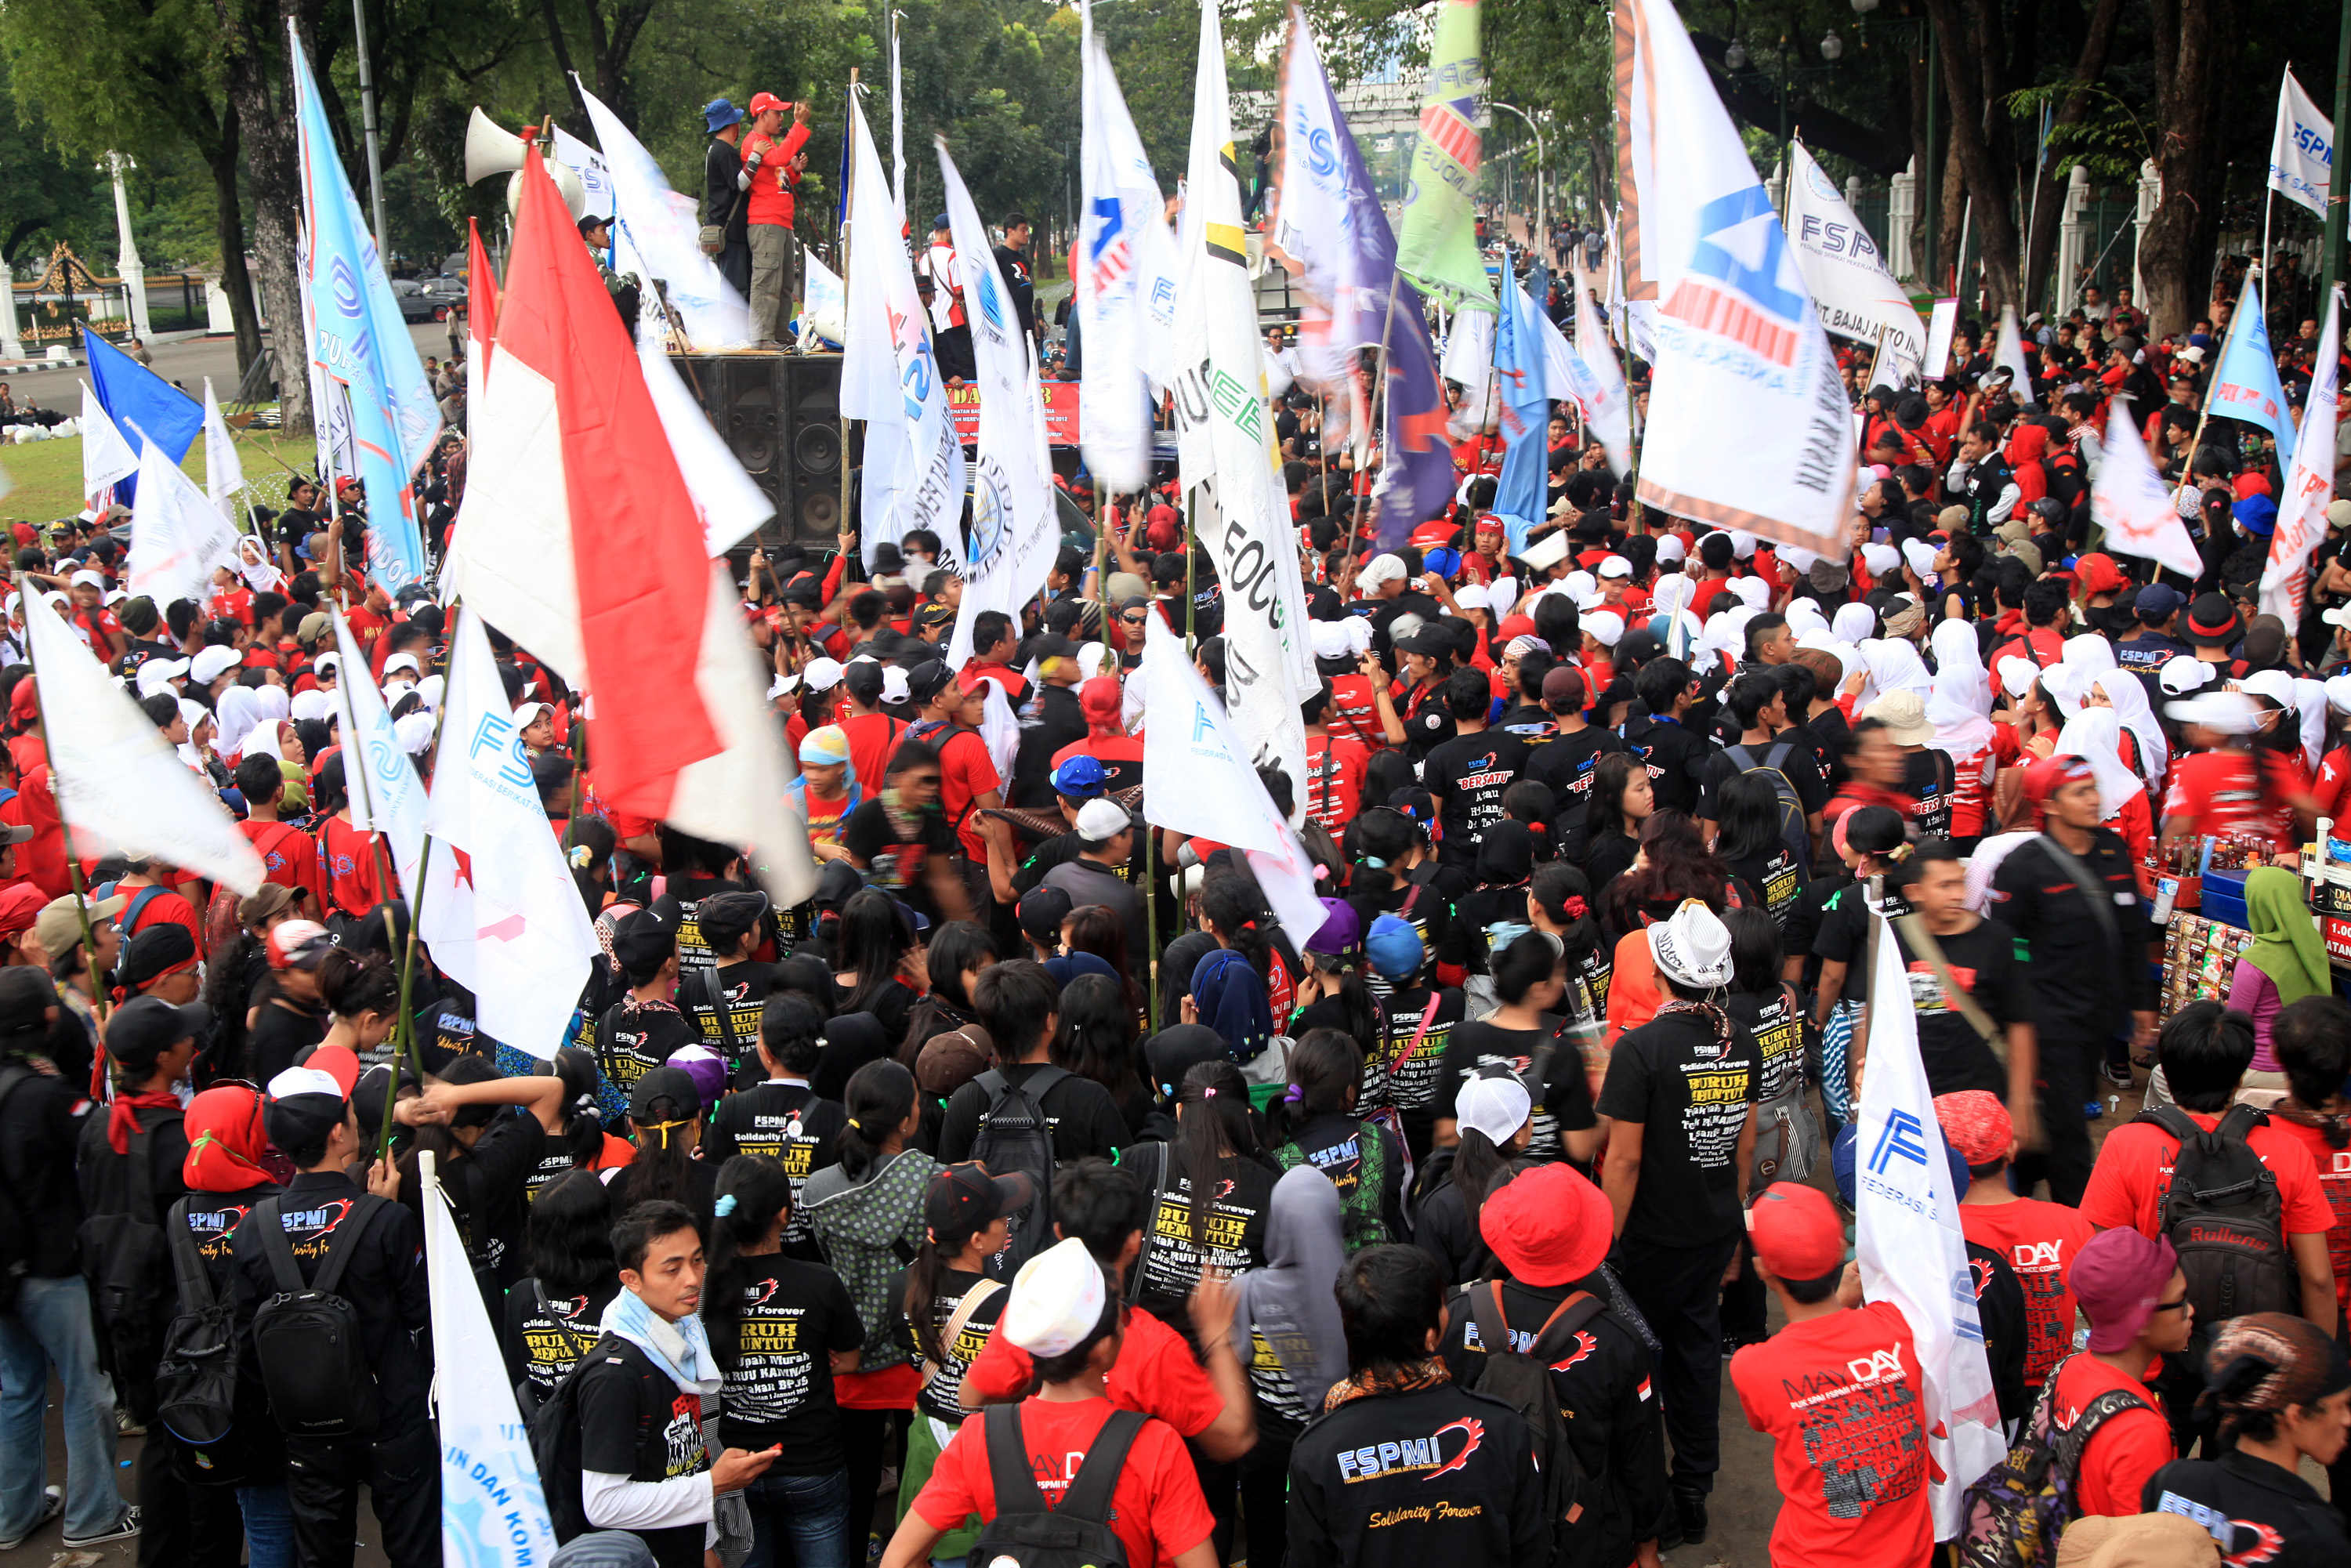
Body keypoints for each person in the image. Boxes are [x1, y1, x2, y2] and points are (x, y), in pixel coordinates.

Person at [882, 1237, 1219, 1568]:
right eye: (1121, 1316)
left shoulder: (980, 1438)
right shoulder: (1156, 1447)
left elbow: (898, 1559)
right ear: (1103, 1348)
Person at [1596, 899, 1758, 1541]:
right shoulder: (1737, 1038)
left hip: (1645, 1244)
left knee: (1635, 1369)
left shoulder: (1641, 1050)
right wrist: (1734, 1233)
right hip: (1712, 1232)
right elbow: (1744, 1147)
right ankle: (1694, 1488)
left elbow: (1624, 1161)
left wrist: (1605, 1246)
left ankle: (1649, 1503)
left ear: (1659, 976)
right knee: (1696, 1363)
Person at [230, 1063, 431, 1568]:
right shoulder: (387, 1219)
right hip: (392, 1412)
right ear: (339, 1131)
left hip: (307, 1421)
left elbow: (244, 1339)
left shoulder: (254, 1228)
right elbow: (421, 1316)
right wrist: (374, 1211)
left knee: (321, 1553)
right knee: (415, 1548)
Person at [1445, 1161, 1668, 1566]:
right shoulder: (1618, 1343)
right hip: (1587, 1534)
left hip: (1485, 1524)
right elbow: (1641, 1455)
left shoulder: (1456, 1316)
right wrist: (1647, 1540)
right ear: (1587, 1239)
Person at [1282, 1244, 1549, 1568]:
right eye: (1442, 1304)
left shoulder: (1318, 1448)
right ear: (1430, 1336)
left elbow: (1305, 1558)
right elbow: (1532, 1551)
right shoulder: (1503, 1429)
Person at [2079, 1002, 2338, 1331]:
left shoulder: (2126, 1144)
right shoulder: (2288, 1150)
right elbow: (2316, 1278)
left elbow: (2099, 1266)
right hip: (2259, 1355)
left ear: (2167, 1073)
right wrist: (2316, 1371)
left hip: (2156, 1358)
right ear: (2241, 1073)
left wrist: (2127, 1350)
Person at [0, 968, 136, 1554]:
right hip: (52, 1268)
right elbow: (111, 1136)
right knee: (87, 1386)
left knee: (16, 1389)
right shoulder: (45, 1096)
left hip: (2, 1272)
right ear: (44, 1021)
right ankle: (93, 1512)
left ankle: (13, 1512)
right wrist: (119, 1055)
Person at [573, 1198, 782, 1568]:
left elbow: (678, 1457)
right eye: (672, 1269)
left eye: (697, 1260)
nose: (692, 1278)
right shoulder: (616, 1375)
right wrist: (713, 1484)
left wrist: (706, 1543)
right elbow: (602, 1505)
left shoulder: (679, 1329)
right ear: (631, 1279)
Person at [1730, 1183, 1933, 1565]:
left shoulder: (1754, 1367)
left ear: (1763, 1271)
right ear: (1842, 1250)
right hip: (1911, 1555)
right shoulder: (1899, 1327)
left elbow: (1769, 1416)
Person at [1991, 755, 2156, 1203]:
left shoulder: (2111, 850)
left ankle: (2023, 1191)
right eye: (2080, 792)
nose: (2094, 799)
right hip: (2049, 1026)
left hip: (2096, 1022)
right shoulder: (2023, 867)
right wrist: (2019, 1024)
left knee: (2057, 1121)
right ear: (2052, 804)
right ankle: (2073, 1231)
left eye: (2093, 789)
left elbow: (2131, 930)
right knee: (2069, 1139)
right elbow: (2008, 953)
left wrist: (2141, 1002)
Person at [797, 1060, 933, 1558]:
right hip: (914, 1357)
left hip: (849, 1358)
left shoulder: (819, 1189)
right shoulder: (929, 1178)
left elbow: (827, 1263)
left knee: (852, 1485)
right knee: (923, 1483)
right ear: (904, 1120)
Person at [703, 1155, 865, 1568]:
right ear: (784, 1215)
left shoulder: (699, 1290)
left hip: (734, 1467)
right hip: (813, 1464)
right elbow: (849, 1360)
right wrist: (806, 1362)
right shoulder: (819, 1281)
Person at [174, 1084, 294, 1568]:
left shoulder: (180, 1212)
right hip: (265, 1382)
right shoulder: (275, 1206)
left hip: (203, 1382)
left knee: (245, 1504)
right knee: (270, 1517)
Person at [2141, 1313, 2351, 1566]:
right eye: (2341, 1406)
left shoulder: (2172, 1481)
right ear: (2295, 1415)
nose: (2347, 1420)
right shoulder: (2317, 1538)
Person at [1939, 1092, 2098, 1407]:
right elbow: (2103, 1322)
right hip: (2049, 1399)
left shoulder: (1938, 1234)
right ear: (2011, 1150)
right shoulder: (2072, 1224)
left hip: (1969, 1398)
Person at [1893, 839, 2038, 1114]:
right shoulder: (1894, 940)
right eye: (1944, 886)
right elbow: (1875, 1017)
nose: (1958, 894)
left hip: (1984, 1100)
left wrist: (2021, 1106)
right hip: (1918, 1099)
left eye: (1960, 883)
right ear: (1915, 892)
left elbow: (2020, 1024)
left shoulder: (1997, 939)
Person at [2049, 1227, 2185, 1518]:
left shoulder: (2067, 1368)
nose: (2191, 1311)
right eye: (2181, 1301)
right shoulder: (2140, 1430)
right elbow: (2138, 1549)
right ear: (2143, 1319)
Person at [939, 958, 1127, 1164]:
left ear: (988, 1025)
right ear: (1049, 1021)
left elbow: (950, 1184)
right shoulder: (1090, 1098)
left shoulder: (964, 1101)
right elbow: (1122, 1175)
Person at [704, 994, 847, 1261]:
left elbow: (714, 1180)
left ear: (766, 1052)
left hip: (745, 1256)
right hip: (815, 1261)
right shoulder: (836, 1117)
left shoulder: (731, 1108)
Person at [502, 1168, 622, 1403]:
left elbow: (516, 1378)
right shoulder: (626, 1295)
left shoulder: (521, 1296)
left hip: (546, 1432)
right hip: (606, 1425)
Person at [740, 93, 812, 348]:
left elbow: (781, 182)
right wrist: (799, 127)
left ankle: (779, 332)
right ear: (762, 116)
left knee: (784, 284)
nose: (781, 118)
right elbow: (778, 159)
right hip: (766, 223)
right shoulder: (753, 142)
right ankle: (761, 337)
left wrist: (794, 170)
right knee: (766, 281)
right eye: (777, 113)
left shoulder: (769, 144)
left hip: (782, 223)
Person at [701, 98, 752, 296]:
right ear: (733, 124)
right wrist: (755, 159)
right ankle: (736, 327)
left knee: (733, 285)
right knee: (737, 290)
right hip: (732, 232)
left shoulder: (714, 149)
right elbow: (740, 183)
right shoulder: (725, 151)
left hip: (721, 227)